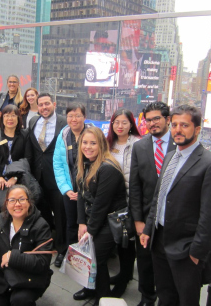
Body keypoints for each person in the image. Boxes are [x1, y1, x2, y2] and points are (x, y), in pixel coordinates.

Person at [140, 105, 211, 306]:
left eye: (185, 125)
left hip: (186, 248)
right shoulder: (171, 155)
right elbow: (159, 197)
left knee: (186, 301)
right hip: (159, 239)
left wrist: (197, 252)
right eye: (175, 125)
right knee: (165, 295)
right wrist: (148, 229)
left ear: (197, 129)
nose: (178, 130)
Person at [0, 185, 54, 306]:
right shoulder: (1, 220)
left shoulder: (41, 226)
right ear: (6, 203)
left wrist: (13, 257)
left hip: (29, 277)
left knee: (20, 301)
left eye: (21, 199)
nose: (17, 204)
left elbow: (42, 262)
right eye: (12, 200)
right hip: (3, 275)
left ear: (29, 202)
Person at [128, 101, 175, 306]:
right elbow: (135, 186)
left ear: (167, 119)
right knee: (145, 261)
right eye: (148, 120)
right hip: (146, 216)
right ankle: (147, 297)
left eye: (156, 118)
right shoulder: (140, 146)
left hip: (173, 217)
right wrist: (138, 220)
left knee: (168, 264)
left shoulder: (180, 143)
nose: (152, 123)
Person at [75, 127, 127, 305]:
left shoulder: (108, 168)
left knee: (98, 258)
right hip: (95, 219)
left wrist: (90, 230)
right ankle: (90, 289)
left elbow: (101, 205)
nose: (87, 147)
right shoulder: (85, 163)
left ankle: (102, 296)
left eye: (93, 143)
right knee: (90, 256)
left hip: (110, 222)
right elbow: (81, 195)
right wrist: (81, 223)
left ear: (101, 144)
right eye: (85, 142)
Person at [25, 93, 67, 268]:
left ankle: (62, 249)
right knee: (41, 212)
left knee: (61, 214)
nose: (44, 107)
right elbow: (31, 150)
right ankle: (47, 241)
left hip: (58, 177)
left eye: (47, 104)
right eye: (40, 104)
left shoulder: (64, 122)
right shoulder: (33, 121)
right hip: (37, 176)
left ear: (54, 104)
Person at [106, 109, 141, 297]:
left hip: (128, 200)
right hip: (110, 200)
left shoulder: (138, 144)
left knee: (127, 241)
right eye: (116, 122)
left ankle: (125, 278)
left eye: (124, 122)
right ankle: (122, 274)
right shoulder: (108, 143)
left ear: (131, 124)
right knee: (116, 240)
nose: (120, 126)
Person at [53, 103, 90, 267]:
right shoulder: (63, 134)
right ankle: (70, 255)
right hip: (69, 190)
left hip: (88, 190)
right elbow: (58, 164)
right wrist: (66, 189)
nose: (73, 119)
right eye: (70, 116)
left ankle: (86, 257)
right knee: (70, 223)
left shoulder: (92, 134)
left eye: (77, 115)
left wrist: (85, 190)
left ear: (84, 117)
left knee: (87, 224)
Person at [0, 105, 28, 212]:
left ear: (18, 118)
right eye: (7, 116)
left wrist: (16, 177)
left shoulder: (25, 135)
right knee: (0, 210)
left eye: (13, 115)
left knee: (18, 210)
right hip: (0, 180)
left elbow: (28, 158)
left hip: (19, 180)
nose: (10, 119)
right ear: (2, 118)